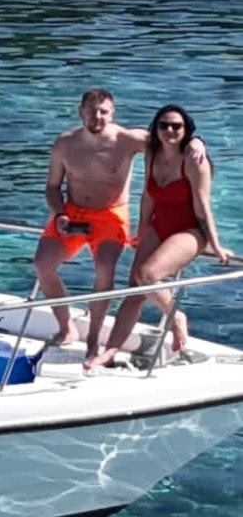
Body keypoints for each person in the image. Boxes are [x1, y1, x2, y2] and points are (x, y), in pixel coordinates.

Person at [88, 106, 235, 369]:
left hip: (191, 230)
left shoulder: (194, 160)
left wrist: (215, 245)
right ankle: (109, 352)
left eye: (177, 126)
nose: (170, 130)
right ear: (155, 128)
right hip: (159, 225)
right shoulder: (152, 153)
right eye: (164, 125)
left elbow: (202, 207)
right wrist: (143, 229)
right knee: (134, 289)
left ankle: (176, 317)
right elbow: (148, 195)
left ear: (186, 130)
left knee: (147, 276)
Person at [35, 88, 151, 355]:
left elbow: (171, 141)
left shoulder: (128, 139)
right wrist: (60, 213)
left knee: (104, 269)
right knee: (42, 265)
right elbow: (52, 187)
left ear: (112, 114)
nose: (97, 117)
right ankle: (67, 327)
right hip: (72, 213)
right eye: (91, 111)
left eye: (103, 112)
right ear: (80, 113)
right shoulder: (64, 144)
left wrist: (197, 142)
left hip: (110, 214)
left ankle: (93, 339)